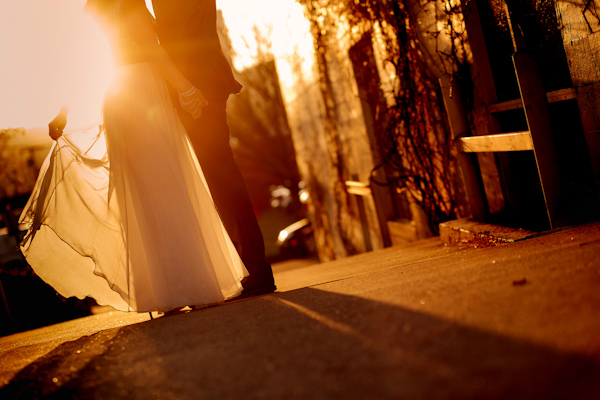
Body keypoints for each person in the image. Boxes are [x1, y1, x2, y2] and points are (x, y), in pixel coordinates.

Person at [19, 0, 249, 314]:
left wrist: (62, 114)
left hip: (116, 100)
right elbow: (151, 50)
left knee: (141, 196)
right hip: (142, 92)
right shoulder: (129, 4)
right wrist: (185, 87)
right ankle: (194, 283)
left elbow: (79, 66)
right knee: (170, 186)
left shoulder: (92, 10)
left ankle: (164, 290)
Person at [151, 0, 276, 297]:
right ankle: (247, 266)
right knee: (217, 177)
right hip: (199, 79)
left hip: (198, 82)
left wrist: (184, 88)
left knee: (221, 175)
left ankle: (254, 267)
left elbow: (182, 31)